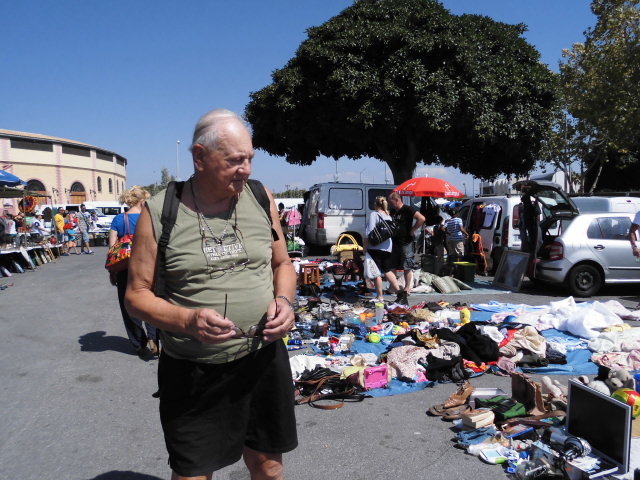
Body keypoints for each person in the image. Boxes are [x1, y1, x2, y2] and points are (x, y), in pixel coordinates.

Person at [125, 109, 297, 480]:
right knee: (194, 474)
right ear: (200, 157)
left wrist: (284, 301)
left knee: (268, 467)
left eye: (249, 158)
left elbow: (283, 264)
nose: (246, 169)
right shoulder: (160, 212)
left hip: (262, 360)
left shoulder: (260, 196)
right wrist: (186, 320)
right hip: (194, 370)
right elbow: (135, 295)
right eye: (235, 160)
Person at [108, 186, 159, 358]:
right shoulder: (150, 218)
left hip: (124, 268)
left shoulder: (118, 219)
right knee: (150, 300)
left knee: (128, 305)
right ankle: (153, 336)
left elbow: (112, 248)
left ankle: (138, 343)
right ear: (142, 201)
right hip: (147, 266)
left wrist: (112, 273)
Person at [388, 191, 425, 304]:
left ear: (397, 200)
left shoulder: (408, 209)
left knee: (407, 265)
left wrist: (412, 230)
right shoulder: (393, 211)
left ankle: (407, 287)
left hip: (406, 242)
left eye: (391, 202)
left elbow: (421, 218)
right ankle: (393, 287)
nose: (390, 205)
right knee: (392, 265)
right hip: (394, 242)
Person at [365, 196, 401, 301]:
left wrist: (365, 246)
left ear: (375, 204)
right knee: (387, 270)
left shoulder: (374, 214)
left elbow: (369, 232)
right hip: (387, 247)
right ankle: (400, 293)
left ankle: (379, 296)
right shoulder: (388, 216)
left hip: (375, 247)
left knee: (376, 272)